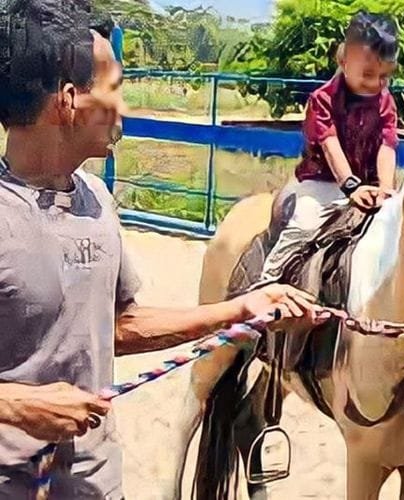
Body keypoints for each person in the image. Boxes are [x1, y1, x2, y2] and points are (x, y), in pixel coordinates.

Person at [0, 1, 327, 498]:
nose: (124, 106)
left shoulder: (97, 201)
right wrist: (15, 406)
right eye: (116, 88)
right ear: (69, 101)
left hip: (96, 485)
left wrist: (241, 309)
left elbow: (119, 326)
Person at [258, 10, 399, 284]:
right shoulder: (322, 100)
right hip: (323, 181)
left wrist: (385, 188)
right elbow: (330, 145)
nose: (375, 84)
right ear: (343, 61)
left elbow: (387, 146)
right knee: (304, 226)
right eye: (368, 74)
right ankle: (266, 287)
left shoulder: (385, 102)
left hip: (369, 183)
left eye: (384, 76)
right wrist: (350, 186)